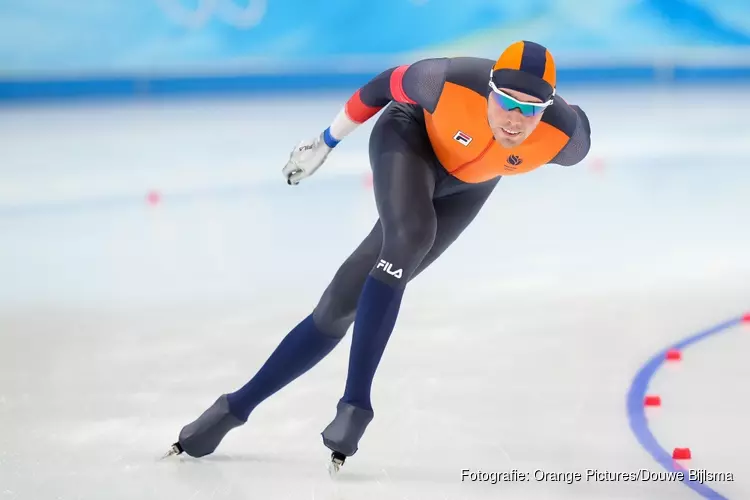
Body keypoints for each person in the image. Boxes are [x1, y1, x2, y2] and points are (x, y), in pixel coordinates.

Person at [165, 40, 592, 470]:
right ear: (489, 89)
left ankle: (232, 409)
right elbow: (379, 88)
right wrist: (325, 142)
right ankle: (356, 404)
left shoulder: (566, 139)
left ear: (549, 107)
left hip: (469, 186)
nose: (515, 119)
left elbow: (577, 123)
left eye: (531, 108)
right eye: (505, 101)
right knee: (411, 235)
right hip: (410, 139)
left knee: (340, 306)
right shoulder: (444, 81)